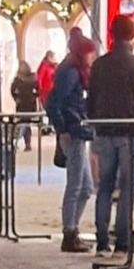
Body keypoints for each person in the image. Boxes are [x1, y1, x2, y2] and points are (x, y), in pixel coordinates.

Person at [86, 14, 134, 258]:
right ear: (132, 35)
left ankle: (102, 241)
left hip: (104, 132)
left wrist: (95, 126)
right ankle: (123, 243)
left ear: (112, 34)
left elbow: (91, 100)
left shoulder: (99, 65)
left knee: (104, 186)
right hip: (130, 134)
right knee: (127, 188)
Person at [45, 34, 97, 252]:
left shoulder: (72, 70)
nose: (91, 57)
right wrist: (62, 127)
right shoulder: (71, 73)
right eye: (89, 53)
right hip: (72, 133)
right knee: (76, 186)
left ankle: (72, 229)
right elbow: (53, 102)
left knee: (85, 187)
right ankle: (69, 234)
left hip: (77, 131)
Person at [11, 61, 39, 150]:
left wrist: (34, 96)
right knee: (25, 123)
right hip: (23, 103)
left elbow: (38, 88)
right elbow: (12, 89)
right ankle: (27, 143)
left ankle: (18, 141)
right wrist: (16, 97)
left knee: (24, 123)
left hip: (28, 103)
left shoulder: (30, 78)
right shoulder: (19, 79)